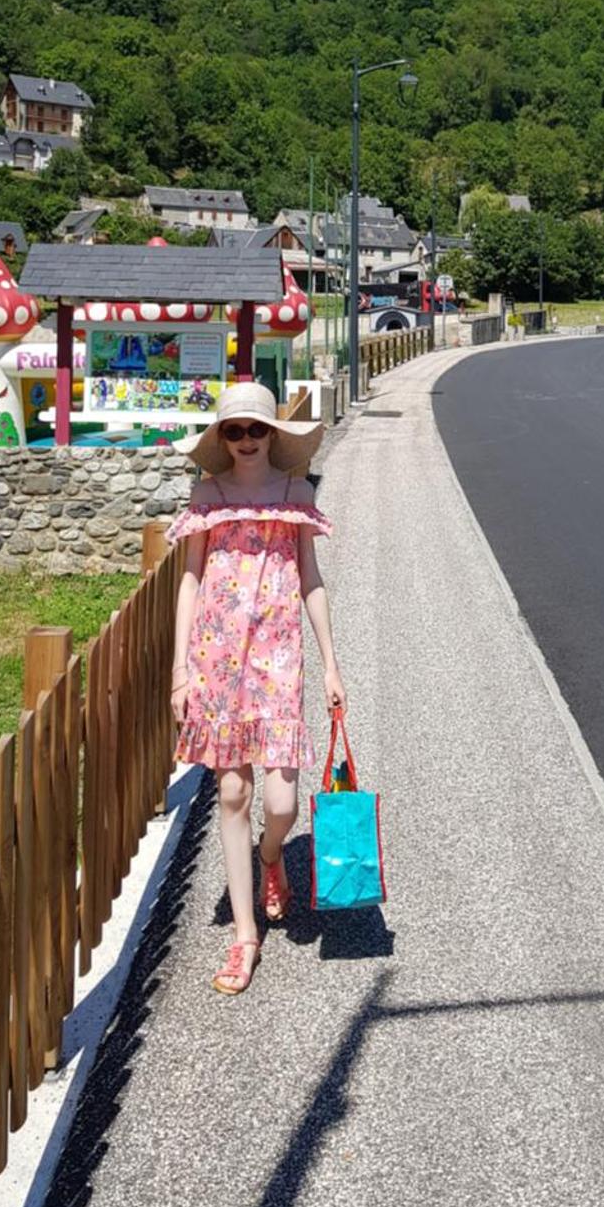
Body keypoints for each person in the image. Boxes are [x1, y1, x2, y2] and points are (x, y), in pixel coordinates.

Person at [167, 381, 343, 995]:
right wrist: (180, 670)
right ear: (221, 439)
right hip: (216, 663)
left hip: (278, 660)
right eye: (234, 431)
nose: (246, 440)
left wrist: (331, 665)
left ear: (273, 434)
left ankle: (272, 857)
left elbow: (311, 581)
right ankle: (245, 936)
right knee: (234, 791)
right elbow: (190, 582)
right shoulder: (206, 496)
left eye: (256, 429)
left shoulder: (297, 494)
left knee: (282, 803)